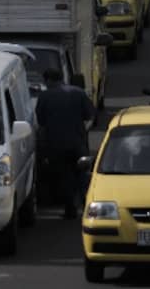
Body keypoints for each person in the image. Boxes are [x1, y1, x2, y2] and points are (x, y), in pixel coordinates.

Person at [35, 69, 96, 219]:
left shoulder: (45, 96)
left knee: (65, 176)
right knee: (82, 174)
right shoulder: (78, 93)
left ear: (49, 80)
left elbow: (41, 121)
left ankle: (70, 209)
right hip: (78, 143)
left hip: (56, 145)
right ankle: (88, 205)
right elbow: (90, 115)